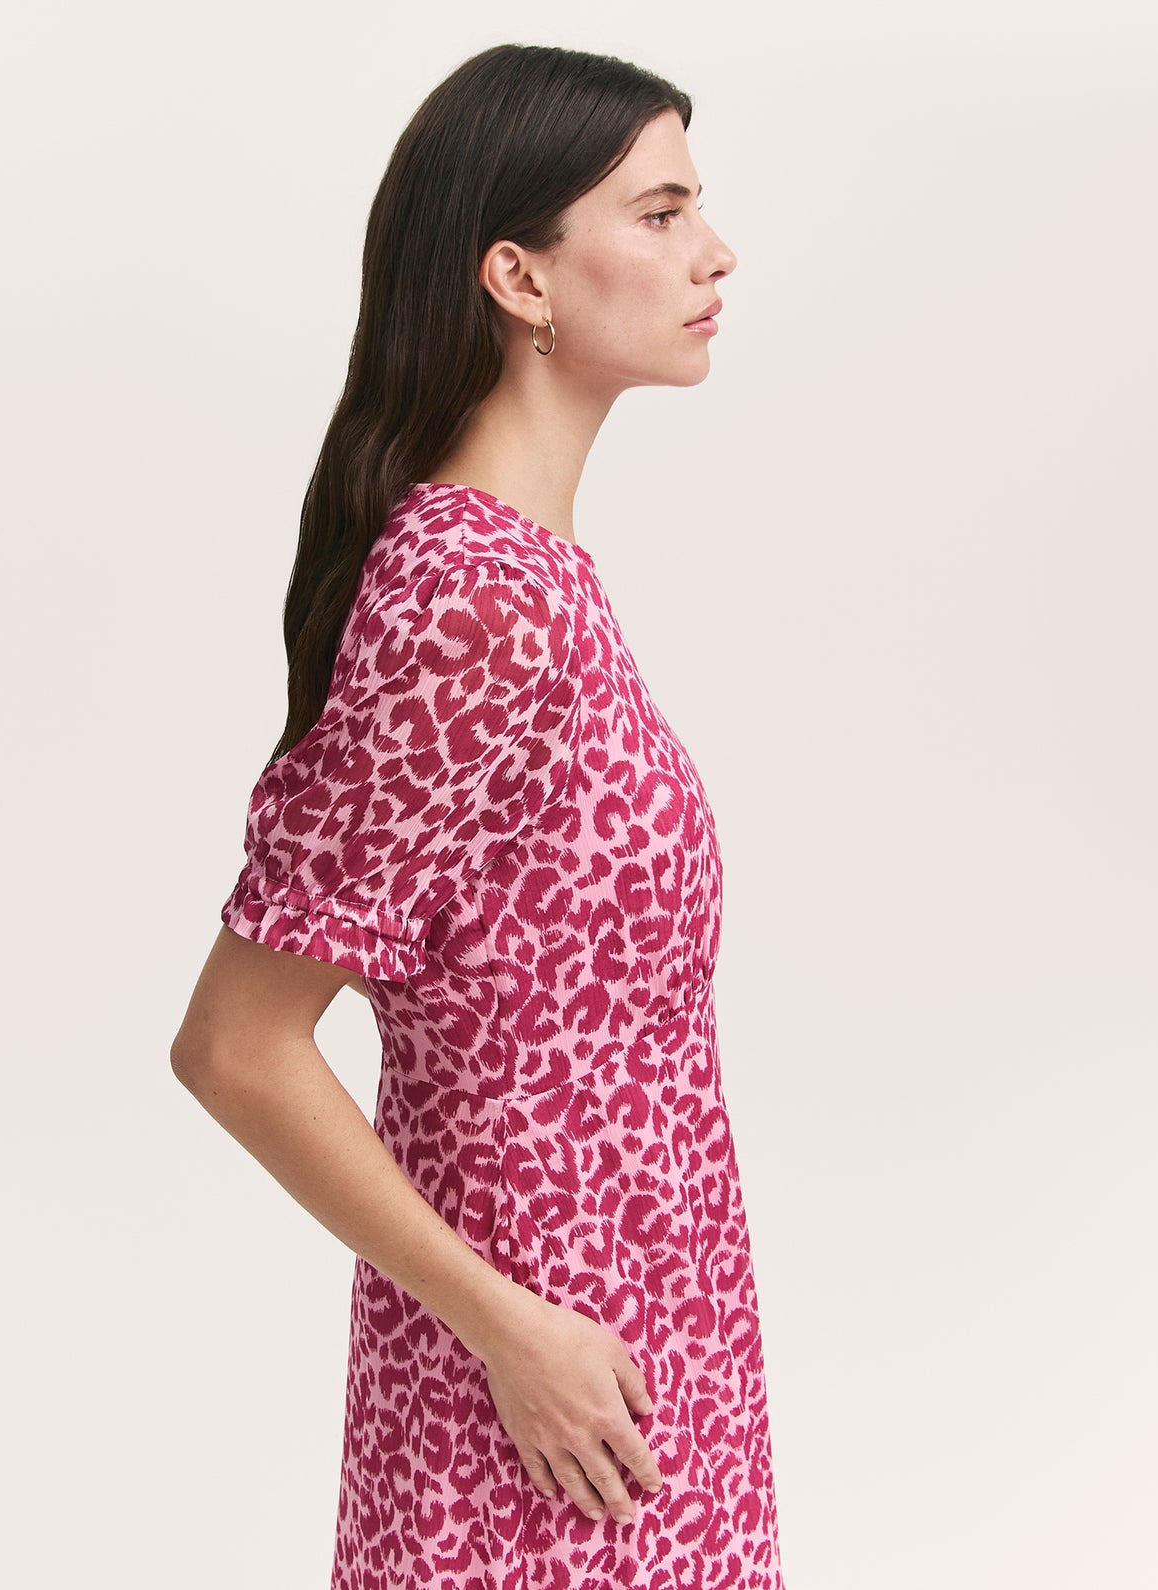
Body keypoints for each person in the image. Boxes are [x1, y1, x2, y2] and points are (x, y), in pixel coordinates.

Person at [170, 41, 785, 1590]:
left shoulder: (539, 579)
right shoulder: (471, 598)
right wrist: (512, 1331)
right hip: (538, 1414)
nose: (713, 251)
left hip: (647, 1370)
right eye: (659, 213)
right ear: (517, 276)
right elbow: (238, 1043)